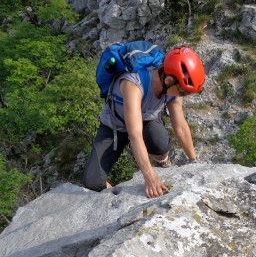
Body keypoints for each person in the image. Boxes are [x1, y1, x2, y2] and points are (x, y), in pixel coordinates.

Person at [83, 46, 205, 198]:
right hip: (115, 126)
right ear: (168, 80)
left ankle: (163, 163)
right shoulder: (134, 84)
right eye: (182, 92)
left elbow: (180, 126)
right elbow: (135, 135)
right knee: (92, 182)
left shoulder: (173, 88)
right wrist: (150, 177)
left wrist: (194, 161)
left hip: (146, 121)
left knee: (159, 141)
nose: (183, 96)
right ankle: (115, 196)